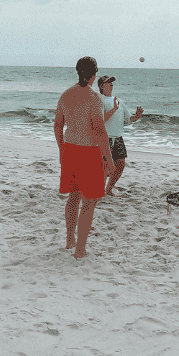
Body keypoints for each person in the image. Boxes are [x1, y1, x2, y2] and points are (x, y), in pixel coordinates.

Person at [53, 56, 114, 259]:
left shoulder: (66, 95)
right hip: (88, 152)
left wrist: (62, 149)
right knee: (89, 202)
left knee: (73, 197)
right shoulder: (94, 98)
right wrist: (109, 158)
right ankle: (80, 249)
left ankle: (70, 239)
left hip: (70, 149)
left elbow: (58, 125)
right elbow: (99, 131)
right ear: (94, 74)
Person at [98, 75, 144, 194]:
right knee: (104, 168)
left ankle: (108, 189)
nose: (111, 85)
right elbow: (100, 120)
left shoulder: (119, 101)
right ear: (101, 86)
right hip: (104, 138)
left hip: (118, 138)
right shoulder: (99, 100)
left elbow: (127, 120)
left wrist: (136, 117)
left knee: (120, 165)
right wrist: (113, 109)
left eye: (112, 83)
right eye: (108, 83)